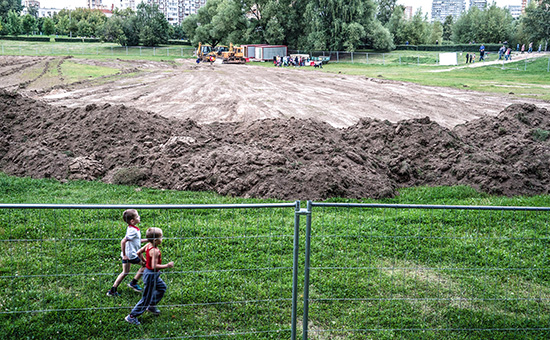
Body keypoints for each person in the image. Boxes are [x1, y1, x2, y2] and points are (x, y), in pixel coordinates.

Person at [125, 227, 175, 325]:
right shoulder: (155, 251)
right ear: (156, 240)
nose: (162, 239)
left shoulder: (148, 245)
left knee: (162, 288)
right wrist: (167, 266)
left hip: (151, 274)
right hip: (151, 274)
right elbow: (154, 266)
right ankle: (131, 316)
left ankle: (151, 305)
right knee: (146, 297)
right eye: (161, 237)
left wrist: (144, 261)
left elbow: (138, 252)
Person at [107, 209, 147, 297]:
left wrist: (148, 240)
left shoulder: (131, 228)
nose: (139, 217)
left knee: (125, 272)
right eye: (137, 216)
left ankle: (112, 290)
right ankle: (133, 283)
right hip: (131, 255)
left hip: (127, 255)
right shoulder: (133, 230)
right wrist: (125, 255)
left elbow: (137, 241)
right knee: (145, 265)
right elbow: (123, 241)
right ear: (132, 221)